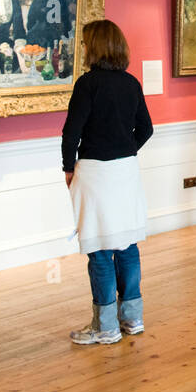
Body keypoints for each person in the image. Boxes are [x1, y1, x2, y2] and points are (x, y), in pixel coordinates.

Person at [61, 19, 154, 345]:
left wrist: (68, 168)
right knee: (127, 246)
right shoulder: (131, 83)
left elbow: (71, 132)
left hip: (95, 173)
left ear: (95, 47)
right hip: (126, 171)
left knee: (100, 250)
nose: (83, 49)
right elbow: (146, 129)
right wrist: (125, 150)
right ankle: (132, 319)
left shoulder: (88, 85)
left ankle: (106, 326)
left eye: (86, 43)